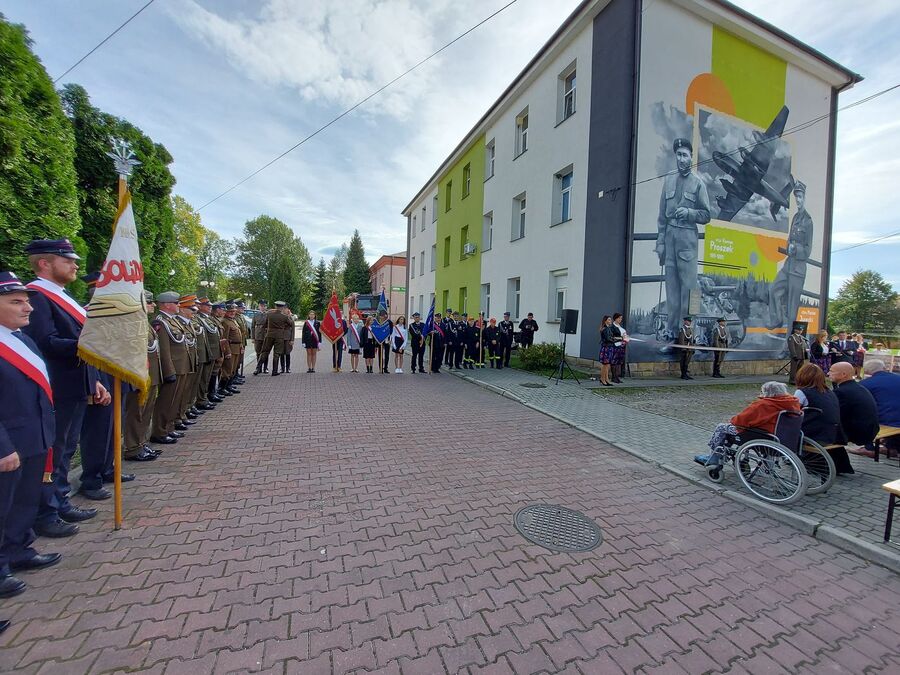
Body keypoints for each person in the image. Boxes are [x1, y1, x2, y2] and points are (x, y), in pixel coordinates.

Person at [23, 239, 109, 537]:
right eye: (67, 259)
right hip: (56, 387)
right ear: (45, 263)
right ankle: (45, 511)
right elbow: (45, 343)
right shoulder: (37, 296)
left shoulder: (61, 296)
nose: (74, 265)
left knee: (65, 448)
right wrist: (87, 345)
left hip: (75, 384)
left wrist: (93, 379)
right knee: (54, 450)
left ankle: (58, 501)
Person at [0, 271, 61, 600]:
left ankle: (19, 549)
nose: (28, 308)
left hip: (34, 434)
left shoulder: (20, 338)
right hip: (9, 442)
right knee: (3, 506)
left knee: (24, 501)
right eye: (16, 302)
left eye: (26, 301)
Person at [656, 138, 711, 340]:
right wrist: (660, 243)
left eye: (685, 155)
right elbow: (661, 216)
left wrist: (688, 212)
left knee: (690, 290)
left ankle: (690, 334)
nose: (681, 159)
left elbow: (706, 215)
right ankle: (671, 334)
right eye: (678, 154)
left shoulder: (698, 184)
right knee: (671, 291)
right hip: (670, 238)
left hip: (687, 239)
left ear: (691, 157)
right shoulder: (669, 180)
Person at [695, 382, 800, 467]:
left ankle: (713, 457)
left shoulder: (765, 404)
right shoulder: (792, 403)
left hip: (761, 435)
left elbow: (740, 421)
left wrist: (733, 421)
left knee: (721, 427)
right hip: (782, 437)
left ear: (768, 392)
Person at [768, 180, 812, 330]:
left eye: (800, 197)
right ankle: (777, 319)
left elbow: (807, 250)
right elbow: (789, 239)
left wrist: (795, 249)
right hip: (788, 265)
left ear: (805, 198)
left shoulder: (808, 221)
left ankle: (789, 344)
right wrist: (788, 247)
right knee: (773, 289)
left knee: (793, 309)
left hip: (798, 269)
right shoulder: (795, 218)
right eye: (796, 197)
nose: (798, 200)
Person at [123, 290, 161, 462]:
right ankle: (132, 447)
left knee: (146, 411)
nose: (153, 305)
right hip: (139, 374)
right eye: (149, 302)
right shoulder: (132, 323)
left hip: (149, 373)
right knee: (136, 412)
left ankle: (141, 442)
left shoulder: (144, 322)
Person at [149, 292, 188, 445]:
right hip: (172, 368)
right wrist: (168, 370)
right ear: (166, 304)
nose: (179, 305)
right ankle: (159, 431)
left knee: (174, 400)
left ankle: (169, 427)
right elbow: (164, 350)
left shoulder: (172, 321)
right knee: (166, 401)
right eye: (176, 303)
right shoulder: (160, 322)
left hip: (180, 366)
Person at [829, 361, 879, 471]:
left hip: (860, 432)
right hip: (871, 428)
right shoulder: (858, 387)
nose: (828, 373)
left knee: (823, 433)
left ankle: (831, 466)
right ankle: (841, 465)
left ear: (843, 375)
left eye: (832, 371)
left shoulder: (842, 392)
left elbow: (835, 415)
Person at [792, 363, 841, 447]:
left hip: (813, 433)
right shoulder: (829, 392)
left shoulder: (802, 392)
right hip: (832, 433)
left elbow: (793, 411)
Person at [860, 359, 900, 459]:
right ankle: (892, 447)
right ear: (884, 368)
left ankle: (869, 448)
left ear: (867, 371)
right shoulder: (897, 378)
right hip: (895, 418)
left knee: (862, 415)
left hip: (887, 420)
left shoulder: (866, 383)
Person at [256, 302, 292, 376]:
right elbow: (291, 324)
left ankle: (258, 369)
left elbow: (265, 324)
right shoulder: (284, 317)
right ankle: (274, 371)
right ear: (282, 308)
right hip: (279, 336)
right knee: (276, 354)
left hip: (269, 335)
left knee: (265, 352)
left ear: (275, 306)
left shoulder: (269, 315)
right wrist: (289, 316)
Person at [598, 315, 616, 387]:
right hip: (606, 347)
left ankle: (606, 378)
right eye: (609, 320)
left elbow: (611, 337)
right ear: (605, 321)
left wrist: (615, 338)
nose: (610, 321)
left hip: (609, 347)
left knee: (607, 364)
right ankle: (603, 379)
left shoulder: (608, 328)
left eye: (610, 320)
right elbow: (608, 338)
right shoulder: (605, 329)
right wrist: (617, 340)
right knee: (605, 364)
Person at [251, 301, 269, 373]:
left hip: (266, 335)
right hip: (258, 335)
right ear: (259, 307)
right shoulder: (256, 315)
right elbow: (252, 327)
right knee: (258, 352)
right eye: (261, 306)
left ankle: (265, 368)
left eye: (264, 306)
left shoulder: (268, 315)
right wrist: (253, 337)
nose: (263, 307)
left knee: (265, 352)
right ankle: (259, 368)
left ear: (266, 307)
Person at [676, 316, 695, 380]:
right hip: (684, 348)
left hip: (689, 348)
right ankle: (683, 374)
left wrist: (693, 348)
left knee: (687, 361)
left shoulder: (690, 329)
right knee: (683, 361)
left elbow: (692, 340)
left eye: (690, 321)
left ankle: (685, 374)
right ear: (685, 321)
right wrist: (683, 348)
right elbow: (681, 339)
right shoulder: (682, 329)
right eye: (688, 321)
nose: (689, 322)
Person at [610, 313, 628, 384]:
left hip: (621, 346)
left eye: (621, 318)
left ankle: (617, 377)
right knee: (614, 361)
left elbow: (625, 336)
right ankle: (613, 377)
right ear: (616, 318)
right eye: (619, 318)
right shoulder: (612, 327)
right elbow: (612, 337)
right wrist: (621, 338)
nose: (620, 319)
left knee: (619, 362)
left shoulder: (620, 327)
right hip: (615, 345)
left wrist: (625, 340)